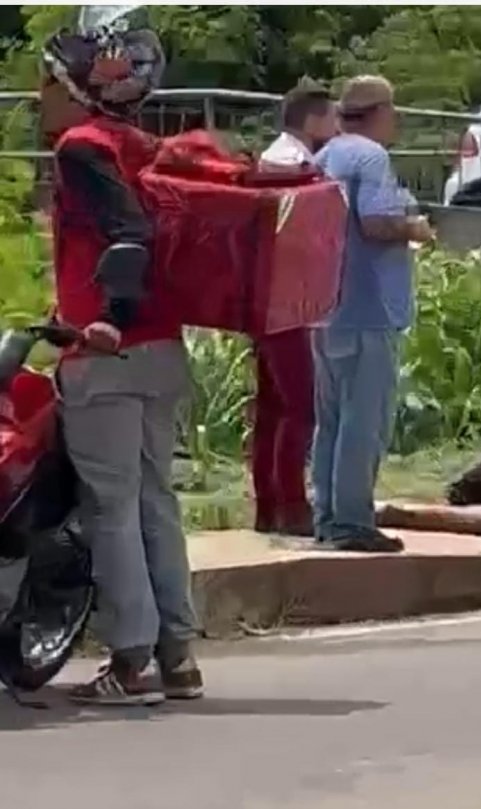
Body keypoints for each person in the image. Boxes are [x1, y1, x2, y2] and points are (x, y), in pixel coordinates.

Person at [41, 27, 202, 705]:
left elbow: (130, 234)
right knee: (155, 500)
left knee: (112, 507)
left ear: (75, 88)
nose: (39, 95)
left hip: (106, 352)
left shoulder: (83, 147)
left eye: (48, 80)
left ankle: (130, 659)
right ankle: (179, 657)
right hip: (162, 349)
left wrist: (111, 314)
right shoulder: (147, 147)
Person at [311, 76, 433, 553]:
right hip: (369, 308)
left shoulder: (326, 156)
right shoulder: (371, 157)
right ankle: (352, 521)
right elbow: (376, 221)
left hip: (326, 308)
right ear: (380, 111)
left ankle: (326, 515)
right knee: (365, 419)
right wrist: (415, 227)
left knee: (332, 420)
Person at [250, 81, 338, 535]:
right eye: (331, 116)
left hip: (267, 295)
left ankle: (268, 504)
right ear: (312, 119)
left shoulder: (276, 154)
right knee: (299, 405)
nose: (336, 125)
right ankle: (289, 502)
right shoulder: (291, 161)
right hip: (284, 299)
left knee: (272, 404)